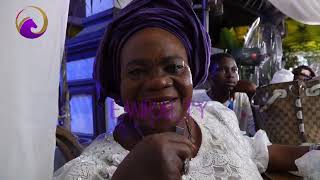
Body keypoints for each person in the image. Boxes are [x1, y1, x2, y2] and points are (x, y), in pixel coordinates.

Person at [53, 0, 319, 179]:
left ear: (193, 74)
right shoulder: (88, 171)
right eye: (136, 71)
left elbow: (261, 153)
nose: (159, 82)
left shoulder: (217, 118)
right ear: (117, 86)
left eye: (174, 67)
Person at [193, 53, 256, 136]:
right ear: (208, 75)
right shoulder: (195, 100)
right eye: (223, 70)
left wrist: (253, 95)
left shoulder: (242, 97)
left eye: (234, 70)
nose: (230, 75)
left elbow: (254, 133)